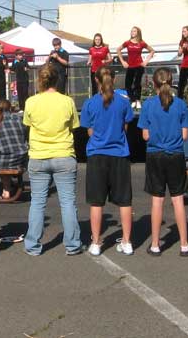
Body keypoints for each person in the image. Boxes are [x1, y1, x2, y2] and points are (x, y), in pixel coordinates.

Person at [23, 65, 82, 256]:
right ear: (57, 80)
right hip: (63, 154)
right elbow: (74, 127)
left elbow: (28, 126)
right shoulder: (67, 101)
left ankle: (32, 244)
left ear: (40, 80)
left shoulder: (31, 102)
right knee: (67, 202)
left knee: (37, 202)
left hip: (39, 155)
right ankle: (72, 244)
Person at [138, 68, 188, 257]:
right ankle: (184, 244)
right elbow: (185, 134)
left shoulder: (148, 105)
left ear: (153, 83)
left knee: (157, 199)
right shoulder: (180, 104)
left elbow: (145, 135)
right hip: (175, 154)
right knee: (178, 199)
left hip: (155, 154)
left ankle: (155, 244)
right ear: (172, 83)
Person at [81, 67, 134, 256]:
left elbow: (88, 130)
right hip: (119, 153)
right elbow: (125, 126)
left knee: (96, 202)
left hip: (97, 154)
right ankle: (127, 242)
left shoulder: (90, 103)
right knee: (125, 201)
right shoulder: (123, 102)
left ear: (96, 81)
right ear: (113, 79)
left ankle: (96, 242)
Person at [0, 100, 28, 199]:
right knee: (9, 151)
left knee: (0, 154)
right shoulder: (19, 119)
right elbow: (25, 136)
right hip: (20, 159)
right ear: (10, 109)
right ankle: (8, 187)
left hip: (2, 160)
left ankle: (6, 190)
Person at [117, 26, 155, 109]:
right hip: (130, 66)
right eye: (131, 31)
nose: (132, 32)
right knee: (128, 84)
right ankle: (133, 99)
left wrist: (146, 61)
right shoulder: (127, 43)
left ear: (138, 33)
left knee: (137, 84)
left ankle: (138, 100)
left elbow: (152, 51)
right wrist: (123, 61)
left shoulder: (141, 43)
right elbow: (118, 50)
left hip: (139, 66)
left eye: (134, 31)